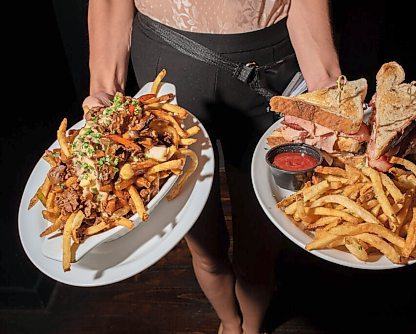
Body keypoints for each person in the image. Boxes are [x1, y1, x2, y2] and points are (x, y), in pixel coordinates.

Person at [84, 1, 341, 333]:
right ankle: (230, 323)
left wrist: (327, 89)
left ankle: (250, 327)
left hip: (267, 70)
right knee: (205, 248)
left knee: (259, 248)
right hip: (169, 64)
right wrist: (104, 91)